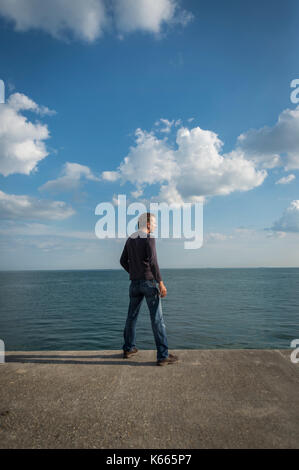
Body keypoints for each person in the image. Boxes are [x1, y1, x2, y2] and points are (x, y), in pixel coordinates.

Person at [120, 212, 179, 366]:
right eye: (154, 222)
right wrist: (161, 282)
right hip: (148, 283)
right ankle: (163, 356)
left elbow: (122, 261)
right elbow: (153, 262)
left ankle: (128, 348)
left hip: (134, 284)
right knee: (157, 320)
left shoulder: (131, 238)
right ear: (147, 224)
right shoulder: (149, 238)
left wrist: (134, 272)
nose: (155, 225)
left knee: (131, 317)